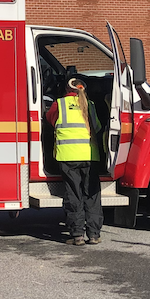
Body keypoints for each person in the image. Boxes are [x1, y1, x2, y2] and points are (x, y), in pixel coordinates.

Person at [45, 77, 103, 246]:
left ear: (65, 89)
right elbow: (98, 128)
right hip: (89, 156)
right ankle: (94, 235)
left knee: (73, 195)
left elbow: (50, 120)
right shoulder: (90, 105)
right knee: (91, 196)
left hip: (68, 157)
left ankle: (77, 235)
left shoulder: (59, 104)